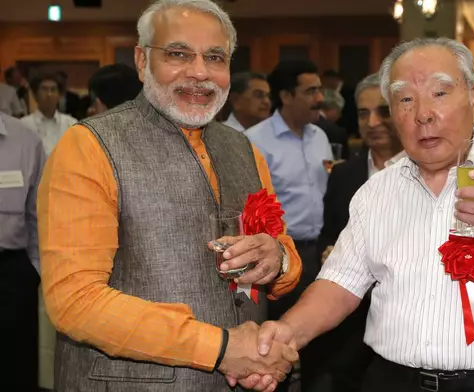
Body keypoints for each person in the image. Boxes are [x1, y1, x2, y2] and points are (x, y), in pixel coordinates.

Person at [241, 37, 474, 392]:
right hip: (390, 381)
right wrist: (286, 333)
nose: (423, 113)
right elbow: (340, 285)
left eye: (440, 93)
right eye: (405, 98)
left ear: (472, 95)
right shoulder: (375, 192)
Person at [37, 1, 301, 391]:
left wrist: (276, 260)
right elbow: (75, 300)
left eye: (215, 57)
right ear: (142, 61)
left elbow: (283, 256)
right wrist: (223, 348)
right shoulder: (89, 146)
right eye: (178, 54)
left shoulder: (244, 149)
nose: (198, 72)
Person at [244, 59, 332, 390]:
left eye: (319, 89)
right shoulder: (256, 141)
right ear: (285, 95)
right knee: (279, 341)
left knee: (320, 339)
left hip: (321, 253)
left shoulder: (320, 136)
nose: (319, 98)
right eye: (310, 91)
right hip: (282, 257)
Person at [313, 73, 403, 392]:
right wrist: (328, 251)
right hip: (349, 322)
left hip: (404, 324)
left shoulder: (424, 172)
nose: (373, 122)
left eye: (383, 111)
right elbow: (328, 234)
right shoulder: (343, 174)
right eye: (364, 114)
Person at [0, 112, 46, 392]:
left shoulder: (25, 140)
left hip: (12, 273)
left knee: (16, 367)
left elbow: (39, 212)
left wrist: (34, 269)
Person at [21, 74, 77, 156]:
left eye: (53, 89)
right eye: (44, 89)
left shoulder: (71, 124)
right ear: (35, 95)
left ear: (59, 95)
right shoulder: (23, 125)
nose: (49, 94)